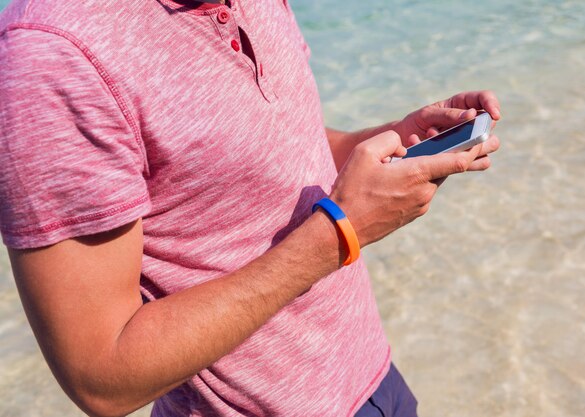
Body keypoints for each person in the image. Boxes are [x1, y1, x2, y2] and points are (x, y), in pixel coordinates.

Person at [0, 0, 500, 416]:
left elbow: (268, 152)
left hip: (371, 380)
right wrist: (340, 234)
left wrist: (389, 142)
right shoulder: (48, 55)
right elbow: (103, 377)